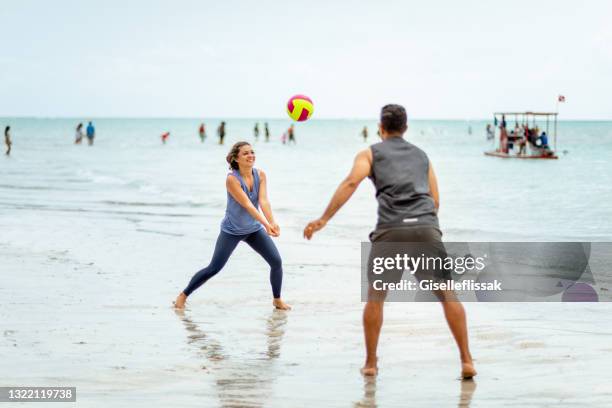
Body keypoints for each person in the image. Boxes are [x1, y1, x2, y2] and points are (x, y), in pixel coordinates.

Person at [303, 104, 476, 379]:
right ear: (405, 128)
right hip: (426, 227)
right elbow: (436, 200)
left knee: (376, 296)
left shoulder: (369, 153)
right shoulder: (422, 156)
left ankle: (371, 364)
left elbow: (351, 183)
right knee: (446, 293)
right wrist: (422, 226)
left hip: (390, 230)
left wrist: (324, 219)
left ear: (380, 127)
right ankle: (466, 360)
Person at [174, 141, 290, 311]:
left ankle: (277, 299)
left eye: (252, 152)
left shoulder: (261, 175)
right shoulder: (232, 179)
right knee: (214, 268)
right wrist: (266, 224)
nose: (251, 155)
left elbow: (263, 201)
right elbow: (248, 205)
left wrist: (272, 222)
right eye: (245, 153)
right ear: (236, 158)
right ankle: (182, 296)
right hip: (232, 231)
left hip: (253, 230)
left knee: (276, 261)